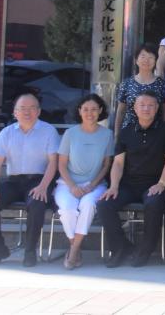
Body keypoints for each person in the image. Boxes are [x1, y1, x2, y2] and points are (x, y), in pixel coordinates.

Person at [0, 93, 60, 268]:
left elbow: (54, 162)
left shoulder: (48, 131)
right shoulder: (7, 133)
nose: (27, 112)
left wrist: (43, 186)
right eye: (22, 108)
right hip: (14, 182)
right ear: (15, 113)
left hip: (38, 180)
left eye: (31, 108)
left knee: (37, 203)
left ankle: (29, 251)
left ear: (39, 111)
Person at [97, 92, 165, 268]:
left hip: (155, 184)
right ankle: (120, 248)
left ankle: (145, 250)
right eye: (142, 105)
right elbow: (118, 163)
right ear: (135, 108)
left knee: (153, 203)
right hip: (128, 185)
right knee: (104, 204)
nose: (146, 108)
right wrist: (114, 186)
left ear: (157, 108)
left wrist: (162, 183)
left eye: (151, 105)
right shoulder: (126, 132)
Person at [54, 94, 112, 270]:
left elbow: (106, 165)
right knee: (67, 209)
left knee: (88, 205)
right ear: (79, 111)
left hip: (95, 185)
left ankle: (73, 251)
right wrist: (72, 186)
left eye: (94, 109)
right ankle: (75, 247)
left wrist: (92, 185)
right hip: (67, 184)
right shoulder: (70, 133)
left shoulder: (107, 134)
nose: (90, 113)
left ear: (100, 111)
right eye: (85, 109)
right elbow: (61, 164)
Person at [114, 43, 165, 134]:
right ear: (136, 60)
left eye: (150, 57)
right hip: (129, 132)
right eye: (143, 56)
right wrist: (116, 134)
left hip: (155, 133)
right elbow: (121, 112)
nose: (146, 60)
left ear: (155, 61)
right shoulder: (126, 83)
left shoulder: (162, 84)